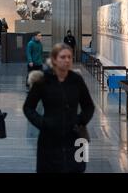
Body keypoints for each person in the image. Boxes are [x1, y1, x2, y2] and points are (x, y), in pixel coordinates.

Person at [23, 43, 95, 173]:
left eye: (69, 57)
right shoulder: (43, 80)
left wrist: (79, 121)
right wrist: (42, 123)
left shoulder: (76, 80)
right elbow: (28, 107)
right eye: (63, 57)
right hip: (49, 137)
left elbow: (89, 106)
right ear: (55, 59)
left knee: (76, 168)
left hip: (74, 136)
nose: (67, 60)